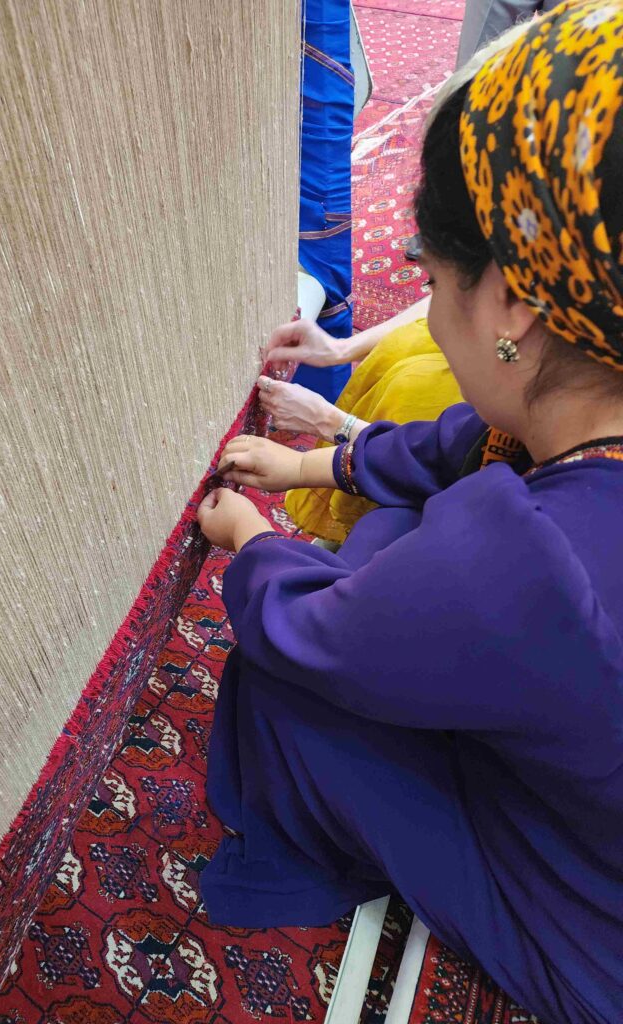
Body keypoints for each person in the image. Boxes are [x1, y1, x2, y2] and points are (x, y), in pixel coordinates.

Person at [196, 4, 623, 1023]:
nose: (426, 304)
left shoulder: (537, 567)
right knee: (399, 513)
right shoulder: (582, 423)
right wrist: (322, 457)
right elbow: (464, 442)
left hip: (596, 932)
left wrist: (252, 541)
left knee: (283, 679)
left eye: (430, 279)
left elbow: (317, 630)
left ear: (513, 303)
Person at [257, 298, 463, 543]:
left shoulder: (483, 426)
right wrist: (340, 349)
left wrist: (329, 425)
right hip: (382, 448)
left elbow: (432, 462)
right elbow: (447, 291)